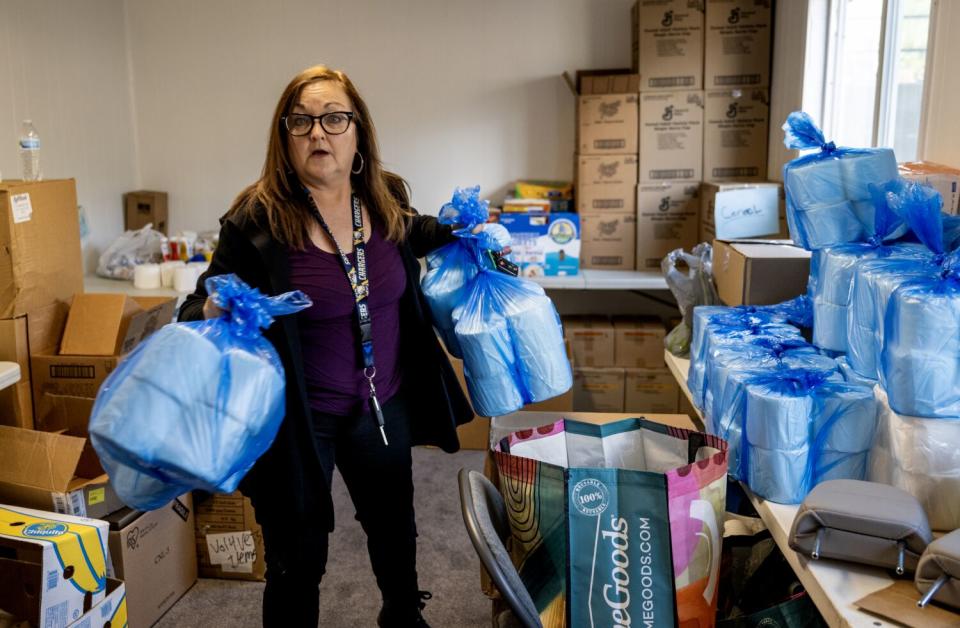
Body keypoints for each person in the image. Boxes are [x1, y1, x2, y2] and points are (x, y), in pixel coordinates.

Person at [178, 64, 474, 627]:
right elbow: (194, 309)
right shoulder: (255, 222)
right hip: (297, 419)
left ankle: (402, 616)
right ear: (284, 138)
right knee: (298, 553)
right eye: (302, 121)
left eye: (335, 118)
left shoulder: (384, 197)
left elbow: (413, 230)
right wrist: (215, 306)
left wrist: (468, 229)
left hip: (380, 404)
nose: (319, 133)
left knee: (395, 531)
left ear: (358, 131)